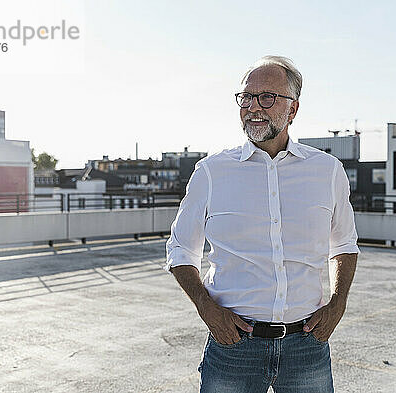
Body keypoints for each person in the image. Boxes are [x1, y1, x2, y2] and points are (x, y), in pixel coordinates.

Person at [164, 55, 360, 393]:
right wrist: (207, 309)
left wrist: (338, 303)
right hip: (233, 346)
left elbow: (343, 245)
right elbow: (181, 250)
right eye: (246, 97)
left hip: (307, 345)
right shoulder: (211, 172)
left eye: (267, 97)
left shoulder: (327, 171)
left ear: (293, 109)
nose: (254, 107)